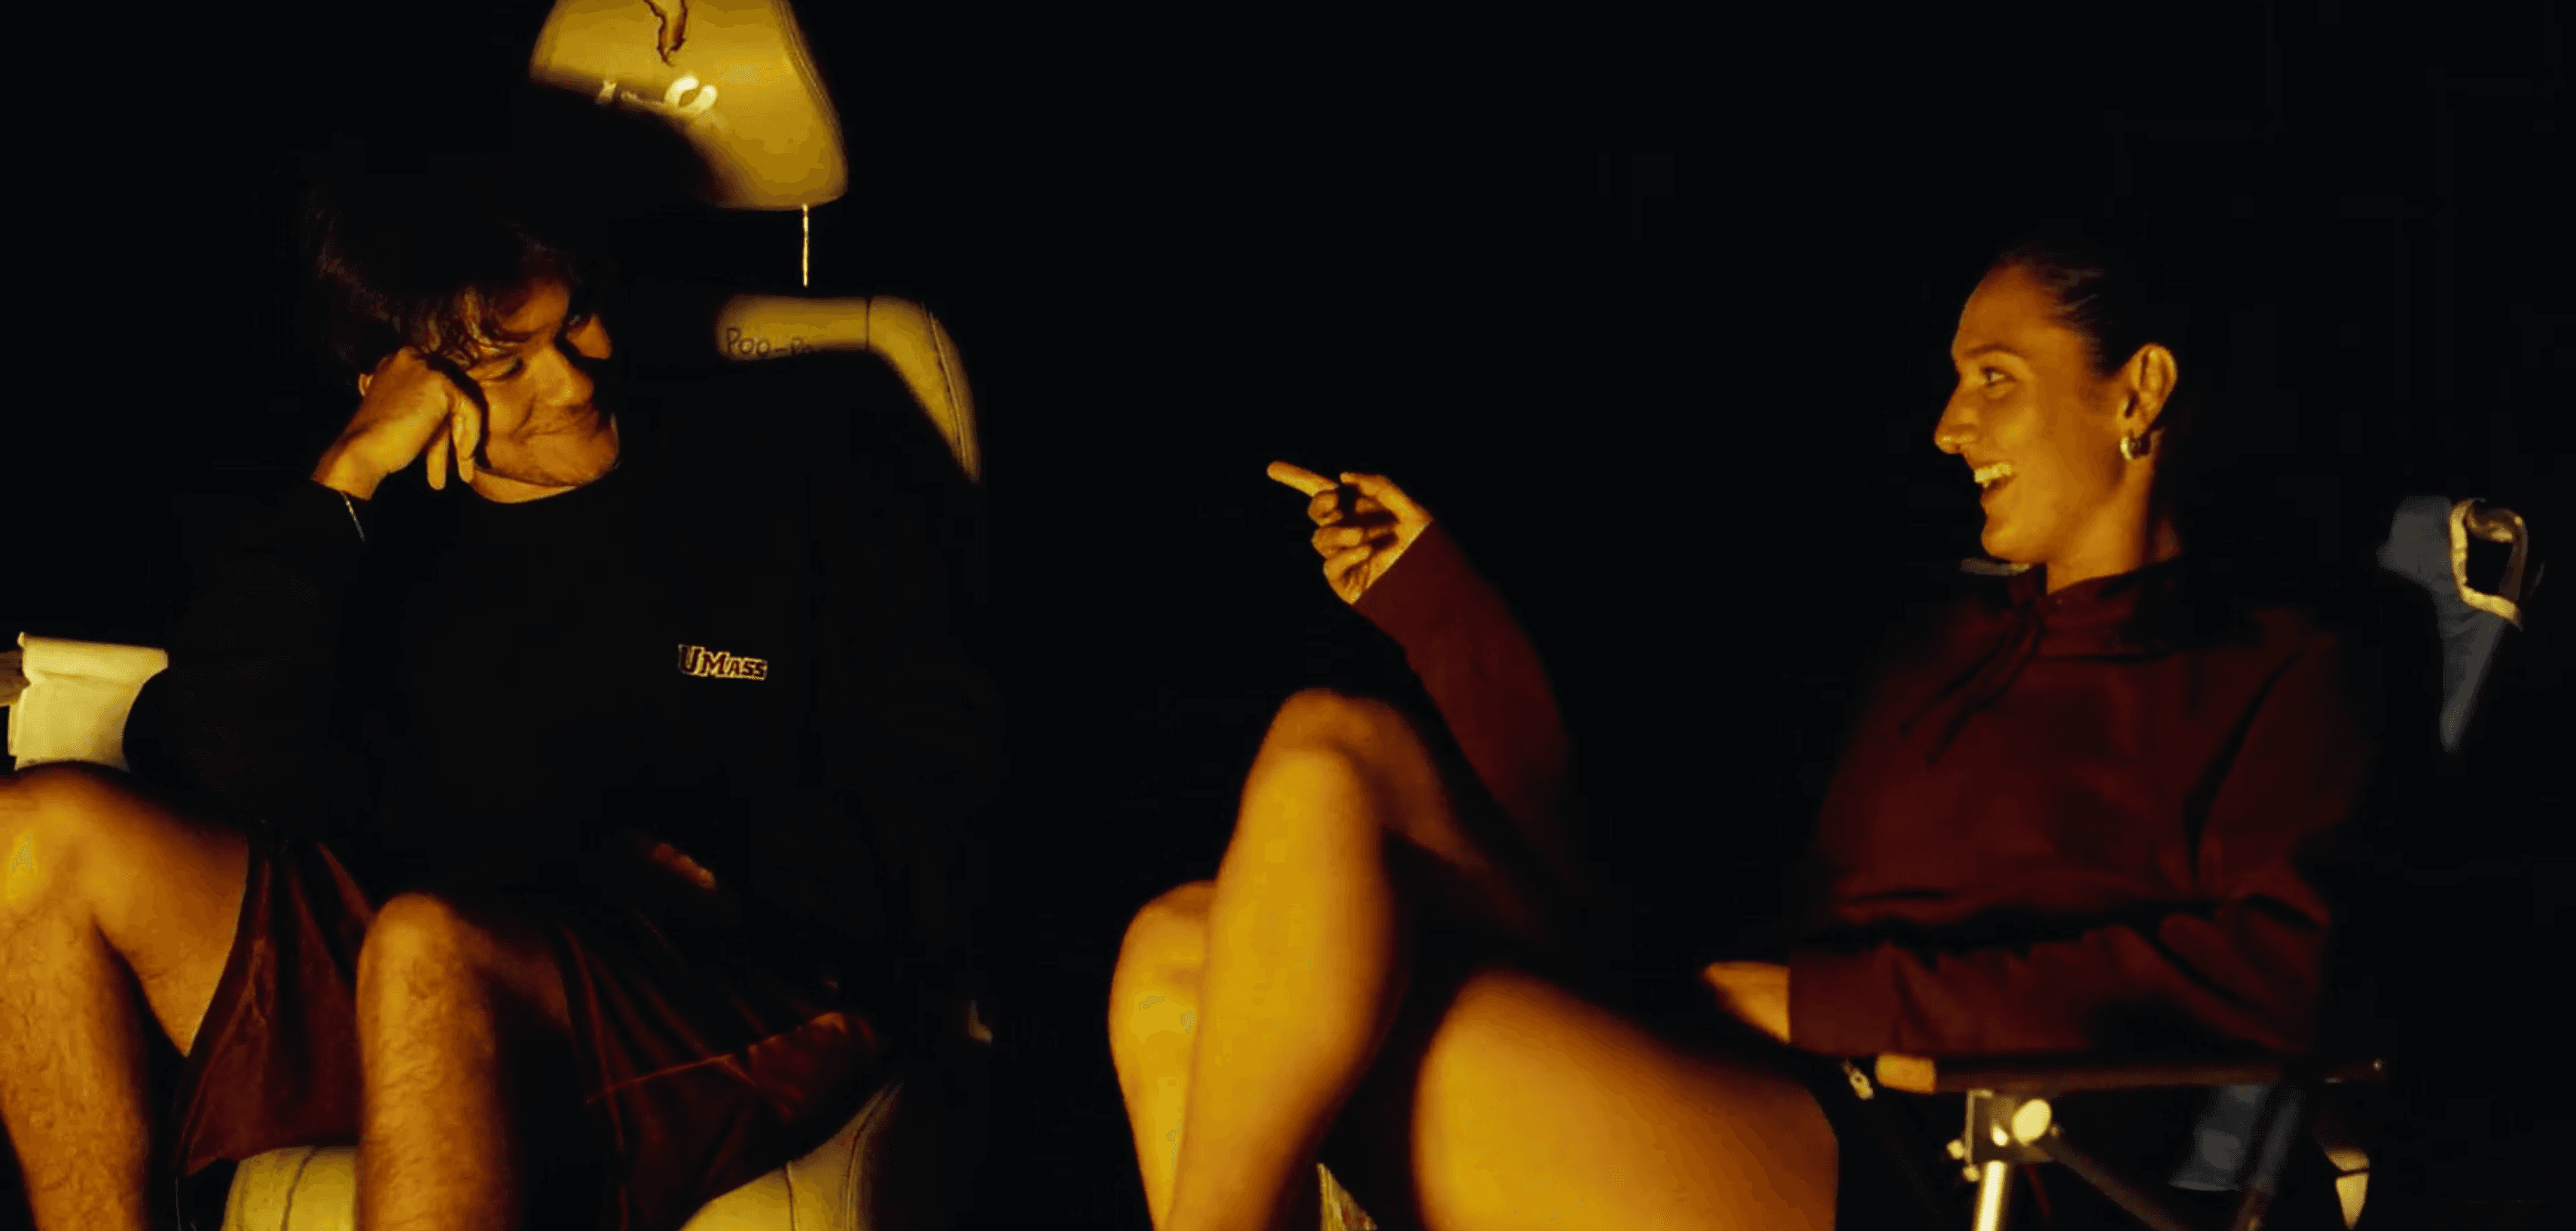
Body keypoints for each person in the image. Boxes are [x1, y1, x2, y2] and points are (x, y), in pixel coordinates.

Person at [1106, 226, 2372, 1230]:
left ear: (2138, 389)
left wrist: (1843, 1001)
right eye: (1953, 383)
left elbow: (2280, 969)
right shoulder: (1935, 644)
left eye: (1995, 377)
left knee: (1273, 936)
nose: (1948, 426)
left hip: (1932, 1155)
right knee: (1202, 919)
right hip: (1732, 1066)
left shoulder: (2275, 667)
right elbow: (1628, 885)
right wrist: (1436, 604)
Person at [0, 93, 1003, 1231]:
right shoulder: (360, 523)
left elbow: (950, 763)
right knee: (37, 835)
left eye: (578, 320)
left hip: (725, 972)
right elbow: (214, 768)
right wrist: (345, 482)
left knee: (431, 941)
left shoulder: (810, 438)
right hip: (417, 987)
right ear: (393, 375)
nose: (575, 378)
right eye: (508, 361)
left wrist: (722, 882)